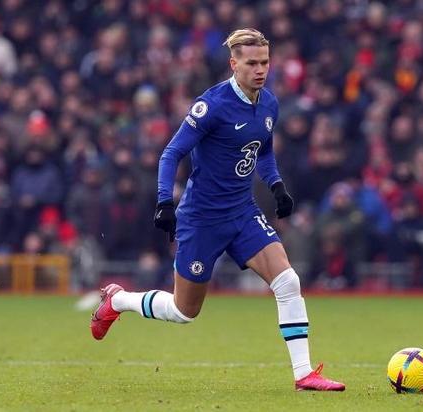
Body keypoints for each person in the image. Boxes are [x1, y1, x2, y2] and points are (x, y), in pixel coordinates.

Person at [90, 28, 345, 392]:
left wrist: (276, 185)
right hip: (202, 219)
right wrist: (164, 202)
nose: (260, 69)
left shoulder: (269, 104)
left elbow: (263, 150)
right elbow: (171, 153)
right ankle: (119, 299)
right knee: (184, 312)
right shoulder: (211, 106)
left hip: (242, 211)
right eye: (252, 63)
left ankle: (304, 374)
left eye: (265, 62)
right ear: (233, 64)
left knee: (288, 281)